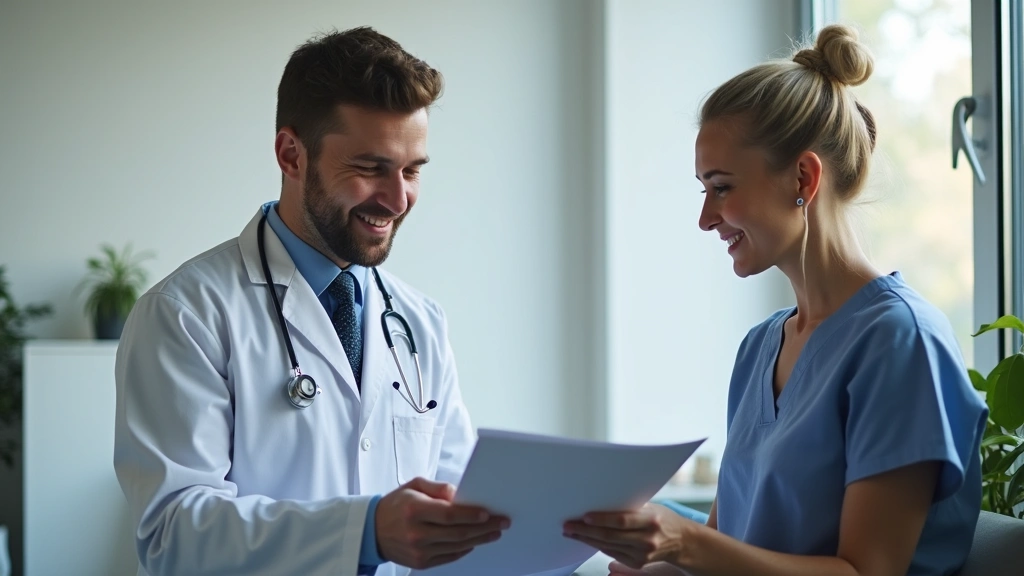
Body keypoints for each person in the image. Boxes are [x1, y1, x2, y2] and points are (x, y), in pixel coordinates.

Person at [563, 24, 988, 576]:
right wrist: (642, 554)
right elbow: (726, 548)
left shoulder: (902, 341)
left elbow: (866, 572)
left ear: (804, 179)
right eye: (703, 189)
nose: (705, 218)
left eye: (721, 187)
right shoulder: (761, 347)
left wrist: (684, 544)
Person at [113, 27, 508, 576]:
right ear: (291, 154)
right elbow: (174, 535)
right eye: (370, 168)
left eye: (412, 170)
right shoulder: (187, 313)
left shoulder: (419, 321)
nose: (397, 200)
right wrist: (366, 533)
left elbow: (457, 509)